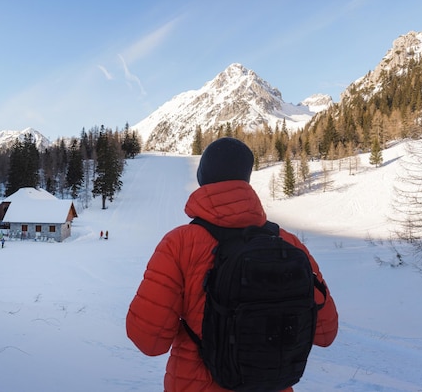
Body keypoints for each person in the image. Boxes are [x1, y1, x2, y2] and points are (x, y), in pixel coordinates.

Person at [126, 137, 338, 392]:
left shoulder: (179, 243)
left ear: (203, 177)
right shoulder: (289, 243)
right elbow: (326, 333)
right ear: (246, 179)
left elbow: (149, 342)